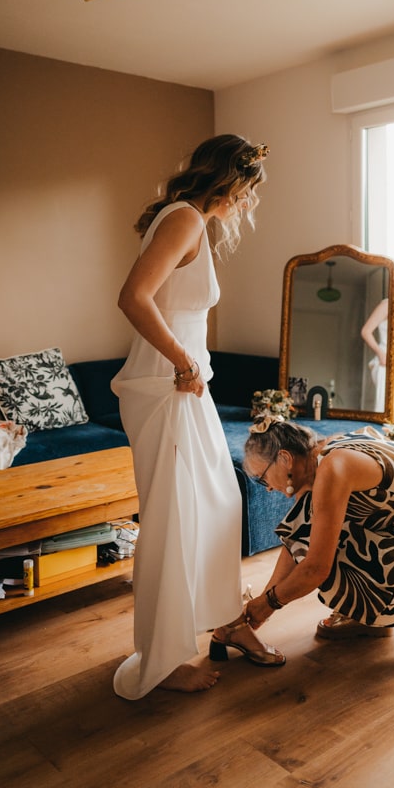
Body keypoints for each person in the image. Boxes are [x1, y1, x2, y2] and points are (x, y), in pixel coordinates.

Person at [111, 134, 278, 699]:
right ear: (229, 181)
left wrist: (189, 368)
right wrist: (182, 361)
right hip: (168, 386)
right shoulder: (183, 218)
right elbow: (134, 297)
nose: (249, 200)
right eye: (249, 188)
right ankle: (161, 659)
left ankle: (224, 621)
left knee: (219, 503)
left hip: (186, 386)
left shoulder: (190, 222)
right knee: (172, 521)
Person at [209, 415, 394, 669]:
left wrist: (267, 605)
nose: (268, 487)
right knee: (311, 520)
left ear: (284, 458)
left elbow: (315, 569)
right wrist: (264, 602)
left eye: (262, 478)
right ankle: (367, 618)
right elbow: (298, 538)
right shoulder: (325, 454)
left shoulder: (335, 468)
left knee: (340, 562)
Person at [361, 297, 388, 411]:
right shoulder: (387, 304)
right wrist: (381, 354)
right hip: (384, 362)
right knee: (383, 407)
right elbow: (366, 331)